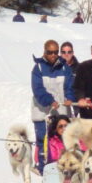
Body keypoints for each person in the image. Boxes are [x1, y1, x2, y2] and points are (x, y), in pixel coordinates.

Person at [31, 40, 75, 174]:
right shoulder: (38, 68)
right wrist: (50, 100)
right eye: (50, 52)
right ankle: (42, 167)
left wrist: (69, 98)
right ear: (45, 52)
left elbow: (69, 86)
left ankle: (61, 166)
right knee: (43, 138)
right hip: (42, 109)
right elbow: (38, 89)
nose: (53, 55)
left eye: (56, 52)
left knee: (61, 139)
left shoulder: (64, 67)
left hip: (60, 110)